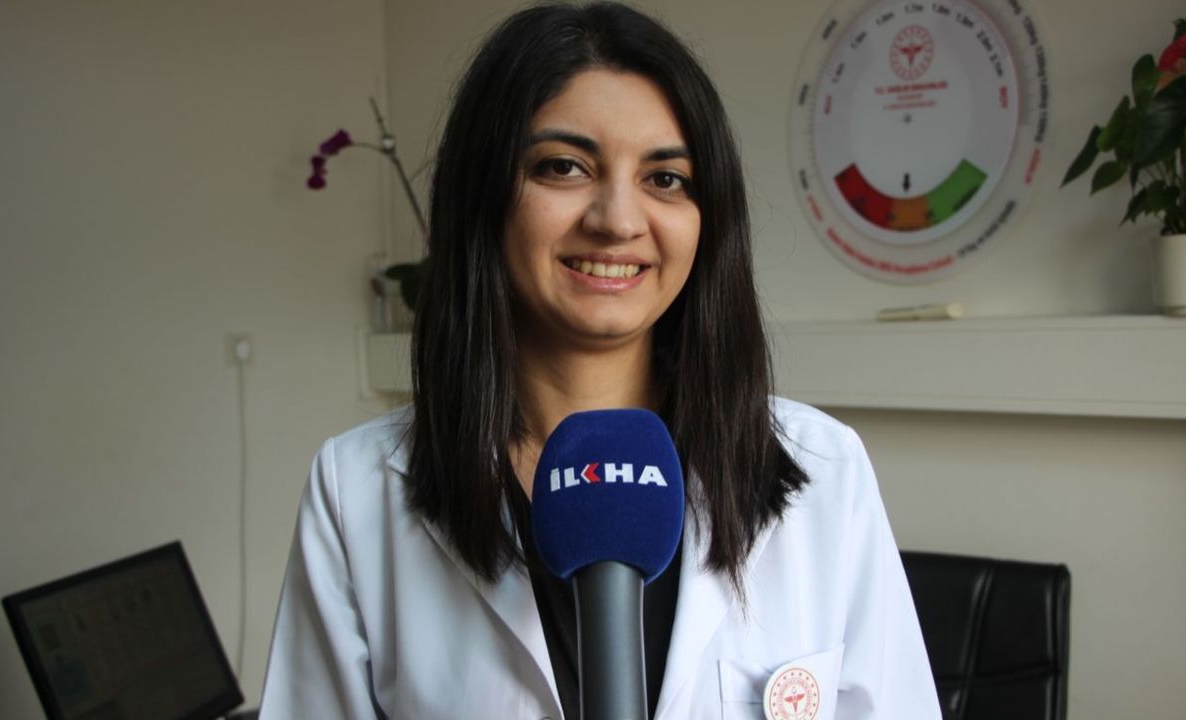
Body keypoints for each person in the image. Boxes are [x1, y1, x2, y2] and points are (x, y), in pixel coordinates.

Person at [258, 3, 940, 719]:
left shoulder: (826, 471)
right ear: (483, 196)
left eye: (666, 178)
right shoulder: (356, 489)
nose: (617, 220)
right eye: (564, 167)